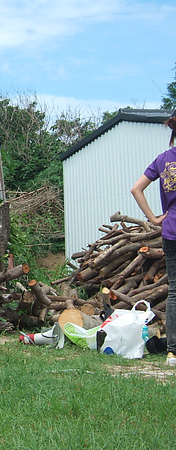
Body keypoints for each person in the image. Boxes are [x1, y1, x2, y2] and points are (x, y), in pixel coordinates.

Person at [131, 111, 176, 367]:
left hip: (171, 230)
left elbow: (136, 188)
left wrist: (154, 219)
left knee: (175, 292)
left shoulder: (163, 160)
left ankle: (172, 352)